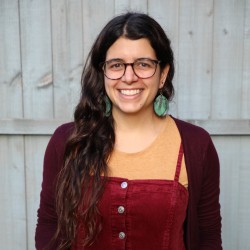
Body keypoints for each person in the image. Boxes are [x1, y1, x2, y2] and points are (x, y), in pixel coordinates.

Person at [35, 12, 222, 250]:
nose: (129, 77)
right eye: (116, 65)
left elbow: (207, 237)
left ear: (163, 74)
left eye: (143, 64)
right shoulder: (67, 141)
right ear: (103, 72)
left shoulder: (196, 146)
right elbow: (50, 225)